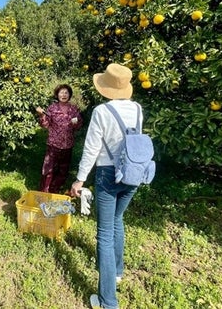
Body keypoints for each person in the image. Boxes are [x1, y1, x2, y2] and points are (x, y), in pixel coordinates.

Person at [70, 63, 143, 309]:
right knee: (117, 220)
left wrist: (80, 179)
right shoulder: (138, 109)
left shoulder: (102, 111)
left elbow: (92, 149)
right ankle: (117, 271)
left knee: (104, 234)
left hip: (108, 175)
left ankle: (107, 302)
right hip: (133, 173)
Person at [36, 84, 83, 193]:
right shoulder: (52, 108)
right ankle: (44, 192)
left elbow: (79, 125)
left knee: (63, 171)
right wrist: (41, 115)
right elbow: (45, 125)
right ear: (57, 95)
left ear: (69, 95)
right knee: (48, 170)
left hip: (68, 145)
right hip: (54, 144)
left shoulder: (73, 109)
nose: (64, 95)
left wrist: (76, 123)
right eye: (61, 92)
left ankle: (54, 191)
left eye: (66, 93)